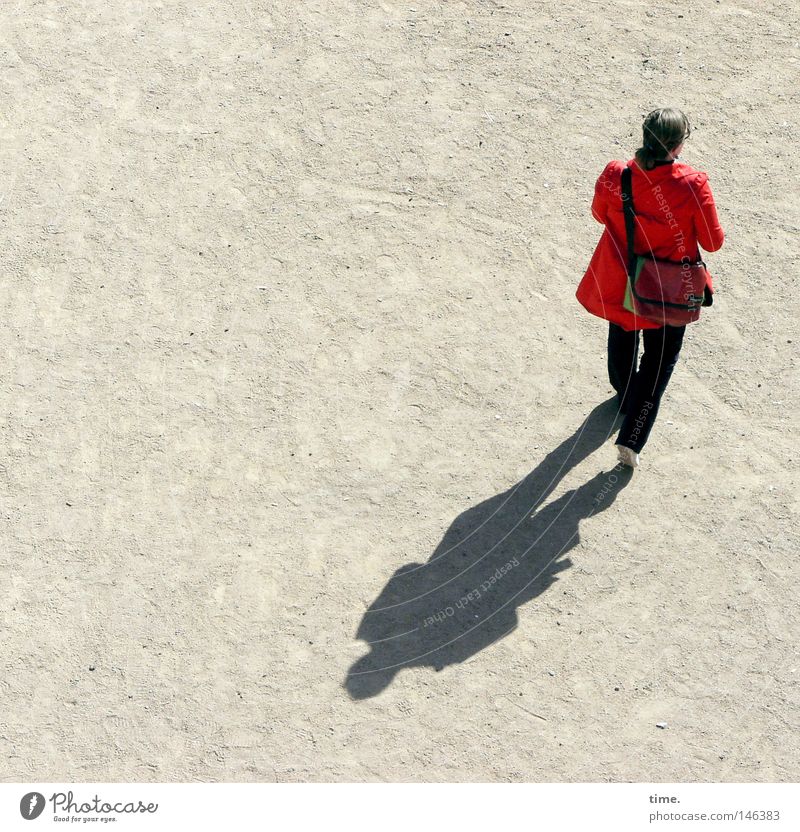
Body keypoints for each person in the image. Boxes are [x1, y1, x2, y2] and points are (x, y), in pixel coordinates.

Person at [575, 107, 725, 468]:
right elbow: (712, 241)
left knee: (623, 332)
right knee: (659, 361)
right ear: (678, 144)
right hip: (668, 285)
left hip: (623, 273)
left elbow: (599, 213)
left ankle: (625, 394)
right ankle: (632, 438)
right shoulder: (692, 183)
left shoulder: (617, 174)